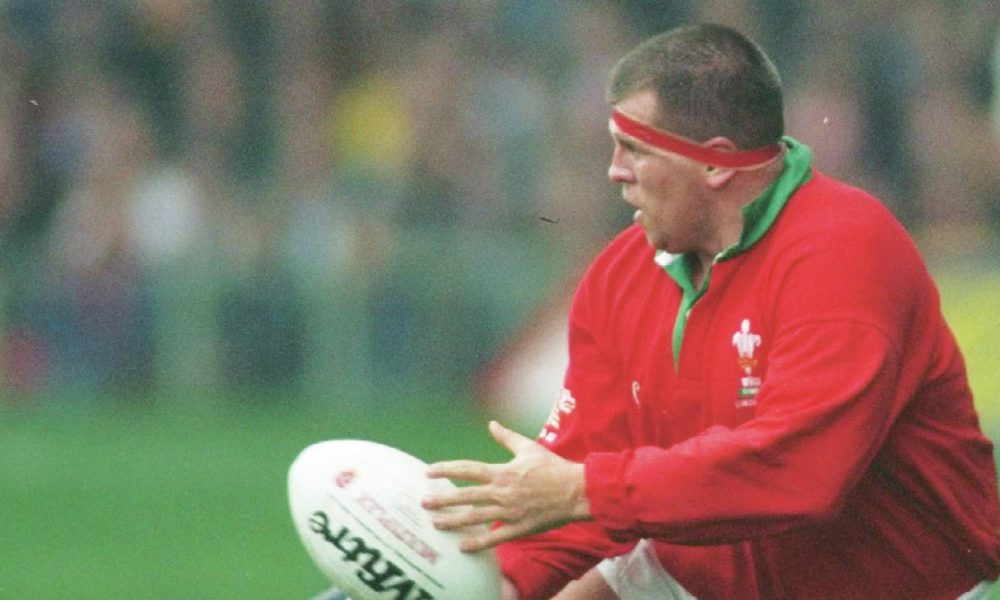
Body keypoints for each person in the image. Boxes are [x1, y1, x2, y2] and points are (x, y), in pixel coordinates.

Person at [417, 23, 1000, 600]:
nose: (614, 170)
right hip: (696, 568)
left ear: (716, 164)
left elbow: (797, 472)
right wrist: (501, 582)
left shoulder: (844, 249)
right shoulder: (620, 273)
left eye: (635, 149)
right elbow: (576, 474)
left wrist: (583, 490)